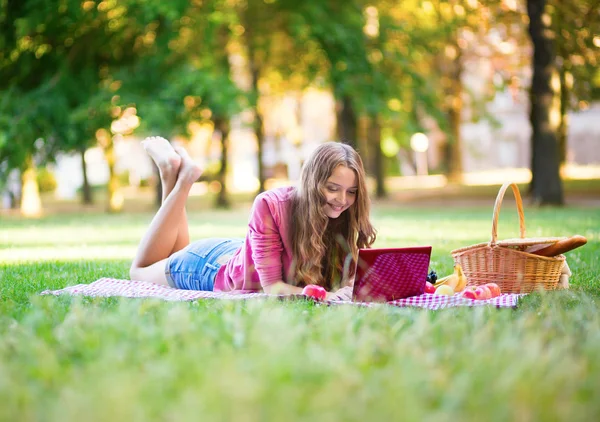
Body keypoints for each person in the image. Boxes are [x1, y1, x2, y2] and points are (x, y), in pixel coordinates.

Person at [130, 137, 377, 300]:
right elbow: (273, 289)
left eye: (351, 192)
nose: (342, 199)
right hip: (209, 268)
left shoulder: (345, 214)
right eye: (332, 188)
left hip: (235, 252)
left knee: (174, 249)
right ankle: (182, 180)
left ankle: (171, 171)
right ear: (313, 182)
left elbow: (347, 275)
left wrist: (348, 287)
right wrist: (327, 296)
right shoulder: (271, 204)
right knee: (139, 271)